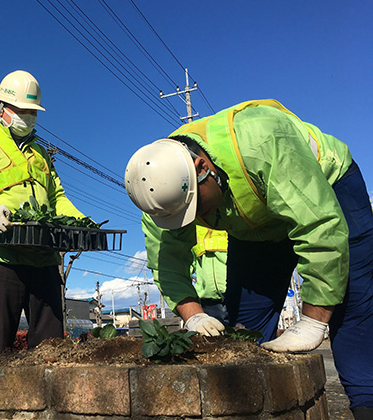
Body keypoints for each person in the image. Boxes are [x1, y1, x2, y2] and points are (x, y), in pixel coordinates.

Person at [125, 99, 373, 418]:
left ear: (203, 169)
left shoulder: (261, 140)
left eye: (196, 210)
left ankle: (366, 404)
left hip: (327, 188)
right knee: (246, 334)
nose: (194, 221)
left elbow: (319, 225)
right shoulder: (162, 198)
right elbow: (167, 261)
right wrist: (193, 315)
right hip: (256, 226)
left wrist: (313, 320)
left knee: (352, 305)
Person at [0, 70, 84, 357]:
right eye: (21, 110)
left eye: (32, 111)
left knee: (52, 352)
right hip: (0, 259)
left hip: (44, 259)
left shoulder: (41, 153)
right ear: (0, 108)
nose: (28, 116)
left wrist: (80, 222)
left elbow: (57, 197)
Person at [144, 214, 228, 324]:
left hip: (251, 292)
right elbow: (168, 263)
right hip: (210, 302)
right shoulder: (155, 209)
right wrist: (195, 317)